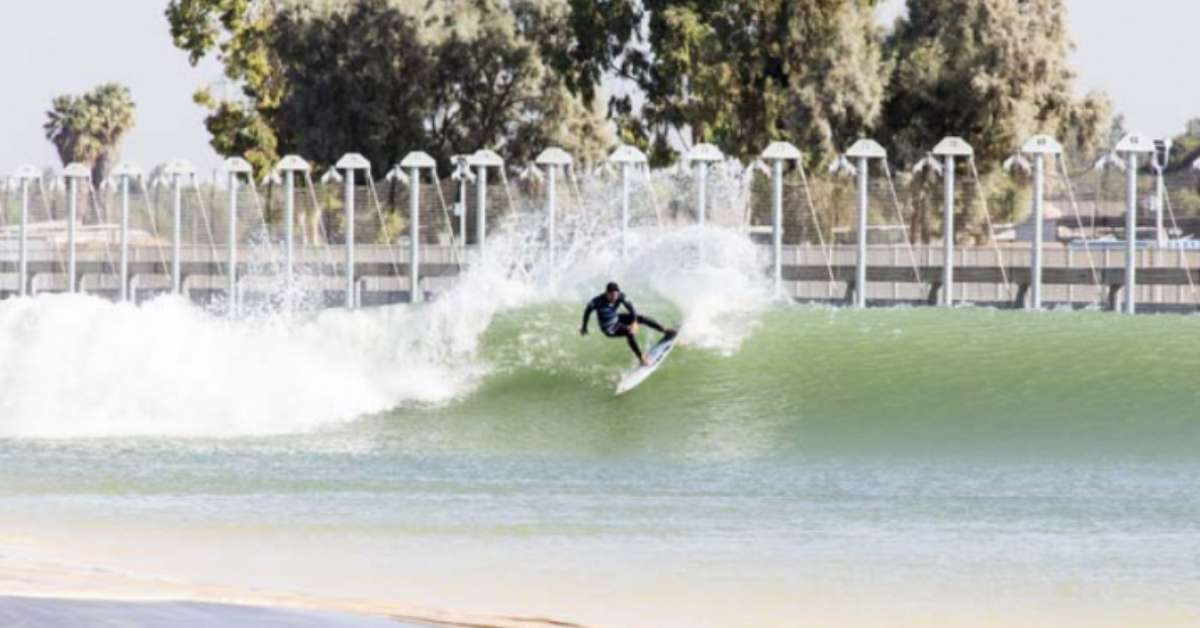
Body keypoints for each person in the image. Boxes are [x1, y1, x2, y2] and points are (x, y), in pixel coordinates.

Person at [580, 282, 676, 367]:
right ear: (607, 293)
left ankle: (664, 330)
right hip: (609, 328)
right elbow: (587, 312)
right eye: (612, 295)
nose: (614, 297)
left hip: (617, 318)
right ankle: (641, 359)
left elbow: (631, 309)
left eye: (616, 295)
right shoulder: (596, 301)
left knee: (641, 318)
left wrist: (634, 322)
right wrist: (584, 327)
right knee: (629, 332)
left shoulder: (620, 296)